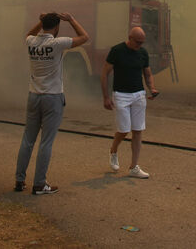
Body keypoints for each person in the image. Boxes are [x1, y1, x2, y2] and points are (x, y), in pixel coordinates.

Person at [14, 12, 89, 195]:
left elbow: (26, 34)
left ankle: (19, 180)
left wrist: (39, 22)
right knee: (46, 142)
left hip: (33, 96)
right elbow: (84, 37)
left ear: (42, 24)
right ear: (56, 28)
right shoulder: (57, 43)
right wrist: (71, 20)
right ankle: (39, 184)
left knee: (27, 140)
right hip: (52, 97)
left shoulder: (31, 42)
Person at [101, 26, 158, 179]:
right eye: (137, 42)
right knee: (124, 129)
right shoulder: (117, 51)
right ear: (130, 38)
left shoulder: (143, 53)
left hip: (138, 94)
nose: (140, 45)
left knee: (138, 130)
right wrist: (106, 97)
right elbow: (105, 73)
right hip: (121, 95)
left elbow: (147, 73)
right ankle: (113, 150)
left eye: (142, 42)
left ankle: (134, 167)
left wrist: (152, 88)